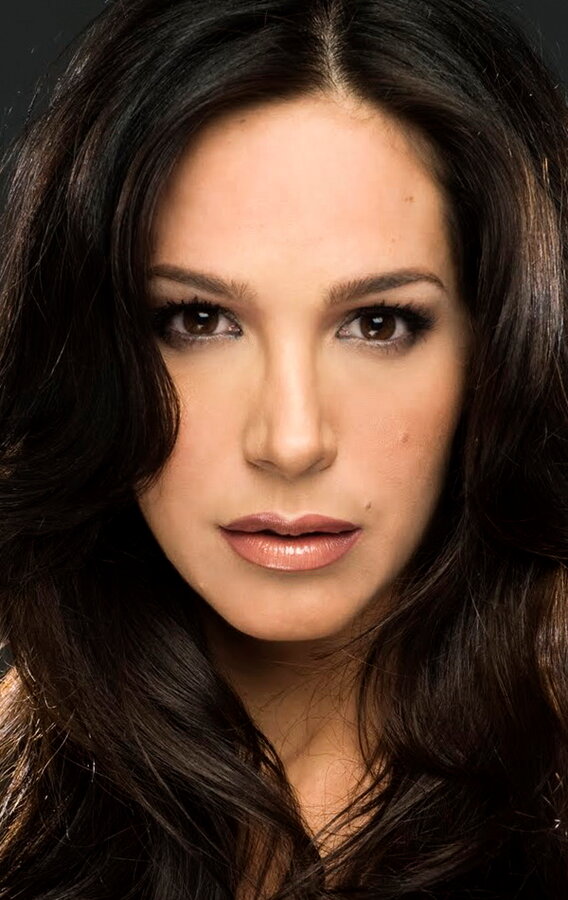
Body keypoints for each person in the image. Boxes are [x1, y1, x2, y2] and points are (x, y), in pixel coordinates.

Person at [0, 0, 566, 896]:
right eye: (198, 320)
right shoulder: (18, 809)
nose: (291, 441)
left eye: (378, 324)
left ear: (496, 350)